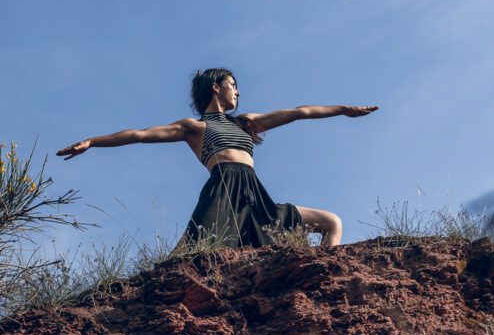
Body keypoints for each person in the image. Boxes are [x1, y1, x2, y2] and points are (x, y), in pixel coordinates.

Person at [57, 67, 379, 248]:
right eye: (233, 85)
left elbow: (297, 113)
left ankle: (319, 280)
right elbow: (140, 134)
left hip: (255, 197)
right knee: (185, 256)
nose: (238, 92)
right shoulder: (195, 128)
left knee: (331, 223)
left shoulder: (246, 122)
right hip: (222, 193)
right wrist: (93, 142)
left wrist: (342, 110)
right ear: (216, 87)